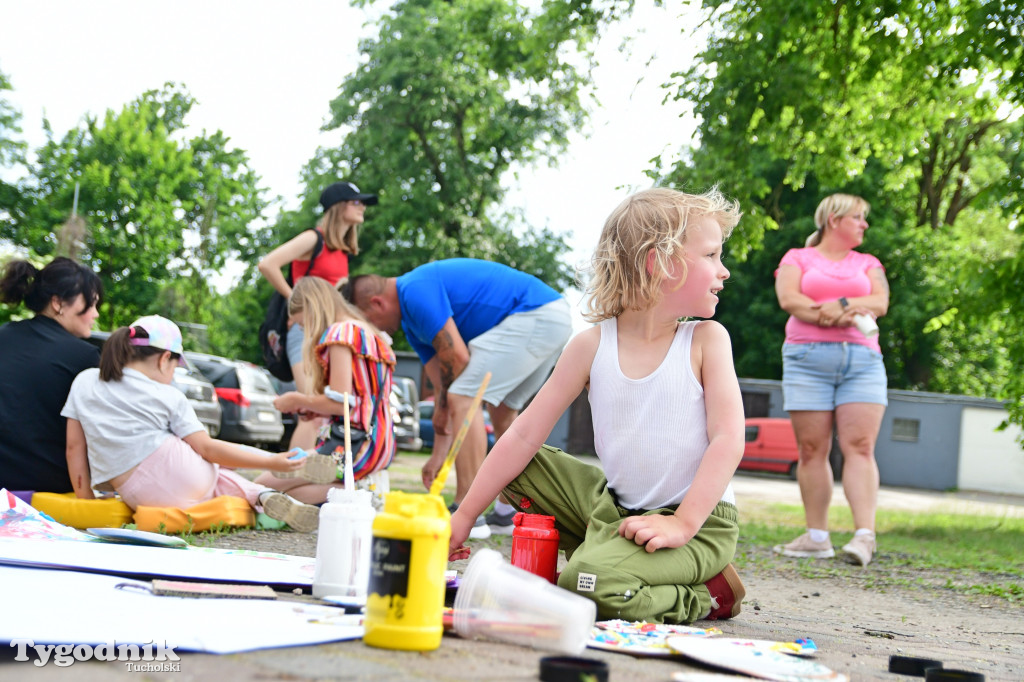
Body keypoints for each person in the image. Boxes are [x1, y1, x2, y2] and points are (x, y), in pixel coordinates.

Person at [447, 188, 747, 624]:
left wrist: (681, 525)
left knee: (588, 585)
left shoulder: (706, 340)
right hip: (615, 511)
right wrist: (465, 514)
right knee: (519, 465)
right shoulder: (590, 345)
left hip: (698, 526)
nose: (724, 271)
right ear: (660, 262)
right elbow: (525, 433)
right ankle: (607, 553)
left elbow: (728, 439)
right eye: (712, 255)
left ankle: (705, 594)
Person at [345, 258, 572, 539]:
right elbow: (442, 390)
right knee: (502, 412)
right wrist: (436, 457)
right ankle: (506, 513)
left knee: (464, 396)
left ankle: (469, 510)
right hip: (552, 319)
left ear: (377, 303)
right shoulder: (412, 324)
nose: (375, 330)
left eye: (368, 322)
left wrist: (445, 405)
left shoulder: (414, 290)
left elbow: (458, 361)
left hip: (536, 313)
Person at [61, 315, 320, 532]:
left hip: (136, 493)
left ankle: (263, 493)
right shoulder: (168, 395)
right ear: (164, 359)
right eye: (175, 368)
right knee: (215, 462)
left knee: (217, 469)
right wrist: (270, 461)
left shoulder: (85, 381)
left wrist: (87, 505)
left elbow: (74, 449)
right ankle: (266, 487)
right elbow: (207, 449)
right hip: (185, 476)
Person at [772, 193, 889, 567]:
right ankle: (817, 538)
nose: (864, 224)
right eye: (858, 217)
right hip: (806, 359)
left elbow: (880, 302)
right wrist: (841, 310)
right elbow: (789, 299)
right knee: (811, 449)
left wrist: (832, 308)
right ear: (834, 219)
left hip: (863, 361)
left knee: (860, 446)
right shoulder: (797, 258)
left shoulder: (868, 262)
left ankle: (864, 537)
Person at [258, 181, 378, 450]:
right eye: (356, 202)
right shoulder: (315, 238)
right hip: (303, 332)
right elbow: (268, 264)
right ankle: (290, 479)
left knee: (323, 410)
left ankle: (305, 480)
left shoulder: (342, 250)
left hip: (328, 335)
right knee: (310, 411)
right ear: (338, 206)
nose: (362, 208)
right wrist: (296, 301)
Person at [256, 277, 396, 505]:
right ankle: (357, 493)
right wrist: (314, 408)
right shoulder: (372, 334)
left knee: (261, 486)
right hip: (379, 442)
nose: (305, 331)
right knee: (285, 495)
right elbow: (361, 399)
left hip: (350, 445)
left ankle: (359, 494)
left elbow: (341, 401)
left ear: (313, 308)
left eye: (303, 324)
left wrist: (297, 399)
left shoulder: (340, 335)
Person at [0, 257, 103, 493]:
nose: (95, 314)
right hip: (45, 486)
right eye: (91, 304)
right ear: (58, 303)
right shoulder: (84, 356)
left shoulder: (3, 335)